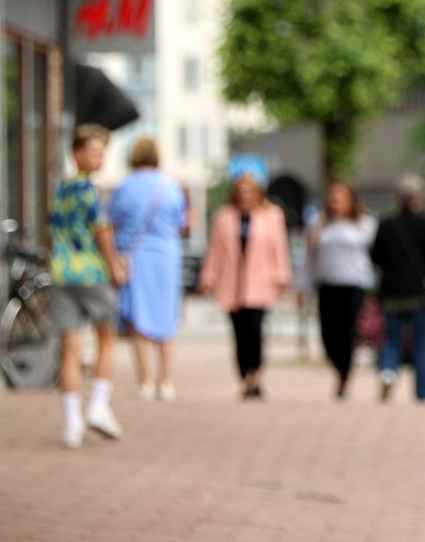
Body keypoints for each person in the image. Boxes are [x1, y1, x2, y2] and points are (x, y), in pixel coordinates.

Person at [48, 124, 128, 449]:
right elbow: (102, 232)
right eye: (95, 152)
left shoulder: (60, 190)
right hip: (91, 273)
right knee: (107, 337)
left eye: (102, 153)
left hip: (61, 273)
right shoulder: (88, 191)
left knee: (70, 347)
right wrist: (116, 267)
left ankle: (72, 423)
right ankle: (98, 406)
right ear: (77, 153)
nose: (100, 158)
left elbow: (52, 233)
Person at [198, 173, 292, 399]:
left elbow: (279, 248)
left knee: (256, 331)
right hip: (232, 284)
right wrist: (208, 278)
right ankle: (243, 375)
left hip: (260, 283)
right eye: (241, 191)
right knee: (239, 333)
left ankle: (255, 375)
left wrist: (281, 277)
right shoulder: (223, 218)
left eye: (249, 191)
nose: (245, 195)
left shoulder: (271, 216)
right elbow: (215, 251)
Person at [109, 136, 187, 401]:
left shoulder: (124, 187)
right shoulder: (170, 186)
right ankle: (166, 382)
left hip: (136, 257)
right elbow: (180, 221)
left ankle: (145, 381)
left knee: (139, 318)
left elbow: (113, 221)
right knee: (167, 318)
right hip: (167, 256)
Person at [371, 173, 425, 403]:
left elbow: (375, 256)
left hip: (391, 292)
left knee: (392, 339)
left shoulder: (386, 224)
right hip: (419, 292)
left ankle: (388, 371)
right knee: (421, 342)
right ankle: (421, 393)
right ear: (419, 196)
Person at [306, 181, 377, 399]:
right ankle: (338, 367)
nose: (336, 202)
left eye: (341, 197)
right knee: (328, 333)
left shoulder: (365, 225)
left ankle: (345, 377)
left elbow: (376, 257)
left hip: (354, 283)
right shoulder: (319, 224)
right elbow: (310, 259)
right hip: (327, 283)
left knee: (347, 331)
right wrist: (301, 286)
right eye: (333, 198)